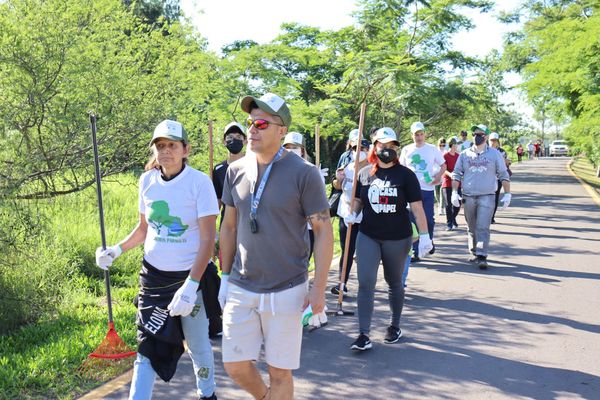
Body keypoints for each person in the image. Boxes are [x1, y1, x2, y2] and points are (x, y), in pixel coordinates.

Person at [218, 92, 334, 400]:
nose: (252, 130)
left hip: (287, 288)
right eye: (249, 123)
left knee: (280, 371)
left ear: (281, 130)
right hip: (243, 286)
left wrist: (319, 287)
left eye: (260, 123)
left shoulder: (304, 173)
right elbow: (228, 227)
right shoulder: (235, 170)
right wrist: (224, 278)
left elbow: (323, 231)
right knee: (235, 364)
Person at [95, 120, 219, 400]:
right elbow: (143, 229)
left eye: (172, 145)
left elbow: (208, 241)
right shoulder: (147, 181)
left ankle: (207, 394)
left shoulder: (199, 183)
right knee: (147, 347)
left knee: (198, 344)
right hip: (153, 280)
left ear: (186, 149)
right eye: (160, 146)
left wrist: (191, 286)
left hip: (190, 279)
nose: (166, 151)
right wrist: (115, 250)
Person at [344, 127, 432, 351]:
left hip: (397, 237)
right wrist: (351, 212)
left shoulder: (406, 175)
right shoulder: (364, 173)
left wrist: (424, 236)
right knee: (365, 283)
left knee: (394, 282)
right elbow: (358, 200)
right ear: (374, 147)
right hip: (368, 235)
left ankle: (394, 325)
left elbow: (417, 207)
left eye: (392, 146)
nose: (387, 149)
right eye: (383, 145)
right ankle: (363, 334)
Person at [451, 124, 511, 270]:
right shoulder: (465, 154)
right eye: (475, 134)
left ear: (486, 136)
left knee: (482, 226)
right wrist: (454, 191)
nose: (477, 136)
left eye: (480, 134)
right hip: (469, 196)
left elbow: (503, 174)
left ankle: (482, 255)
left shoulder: (495, 154)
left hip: (487, 196)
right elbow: (456, 173)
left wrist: (507, 193)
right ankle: (474, 252)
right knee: (471, 227)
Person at [211, 121, 247, 338]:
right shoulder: (218, 170)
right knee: (227, 270)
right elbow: (216, 205)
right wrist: (212, 233)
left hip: (250, 229)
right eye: (230, 137)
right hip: (228, 228)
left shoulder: (254, 164)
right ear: (224, 141)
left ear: (244, 140)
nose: (234, 140)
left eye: (238, 136)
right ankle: (230, 317)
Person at [399, 121, 446, 261]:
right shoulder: (406, 150)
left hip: (427, 189)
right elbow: (401, 167)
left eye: (421, 134)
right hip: (410, 190)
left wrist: (437, 178)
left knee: (429, 219)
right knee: (412, 220)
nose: (419, 137)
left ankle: (429, 241)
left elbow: (443, 165)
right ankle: (416, 249)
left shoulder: (432, 149)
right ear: (411, 135)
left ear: (424, 134)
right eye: (416, 134)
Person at [330, 134, 370, 295]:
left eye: (362, 148)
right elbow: (337, 186)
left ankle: (366, 285)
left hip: (365, 217)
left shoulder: (373, 169)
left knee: (366, 252)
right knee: (347, 249)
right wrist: (338, 180)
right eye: (355, 148)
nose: (358, 151)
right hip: (346, 215)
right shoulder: (347, 168)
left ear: (368, 150)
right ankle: (341, 283)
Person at [283, 131, 328, 259]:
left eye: (295, 148)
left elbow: (320, 210)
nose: (291, 151)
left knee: (302, 265)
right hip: (284, 228)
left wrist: (318, 180)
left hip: (307, 229)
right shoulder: (275, 171)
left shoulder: (311, 172)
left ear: (302, 150)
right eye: (288, 147)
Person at [489, 132, 511, 224]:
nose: (493, 142)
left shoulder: (502, 152)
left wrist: (506, 161)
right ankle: (486, 216)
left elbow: (506, 164)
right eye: (491, 140)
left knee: (495, 197)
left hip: (498, 178)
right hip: (487, 178)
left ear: (498, 141)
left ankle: (491, 217)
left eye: (495, 140)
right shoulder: (485, 150)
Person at [442, 136, 461, 230]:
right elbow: (444, 169)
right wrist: (450, 174)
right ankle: (449, 223)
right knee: (448, 204)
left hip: (457, 183)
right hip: (447, 183)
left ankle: (453, 219)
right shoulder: (445, 156)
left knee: (458, 204)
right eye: (457, 144)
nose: (457, 146)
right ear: (453, 145)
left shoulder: (459, 156)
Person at [436, 137, 447, 216]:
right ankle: (440, 203)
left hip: (443, 173)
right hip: (435, 173)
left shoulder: (446, 152)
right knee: (436, 192)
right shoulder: (435, 151)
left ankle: (441, 207)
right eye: (441, 145)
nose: (442, 146)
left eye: (443, 145)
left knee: (442, 190)